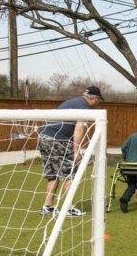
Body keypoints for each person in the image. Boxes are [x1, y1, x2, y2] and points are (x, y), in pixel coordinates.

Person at [38, 86, 103, 216]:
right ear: (95, 98)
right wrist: (76, 150)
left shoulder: (72, 102)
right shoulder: (85, 108)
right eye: (99, 100)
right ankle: (68, 208)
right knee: (71, 172)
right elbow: (79, 128)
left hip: (44, 137)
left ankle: (48, 206)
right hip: (58, 140)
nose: (98, 103)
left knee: (54, 173)